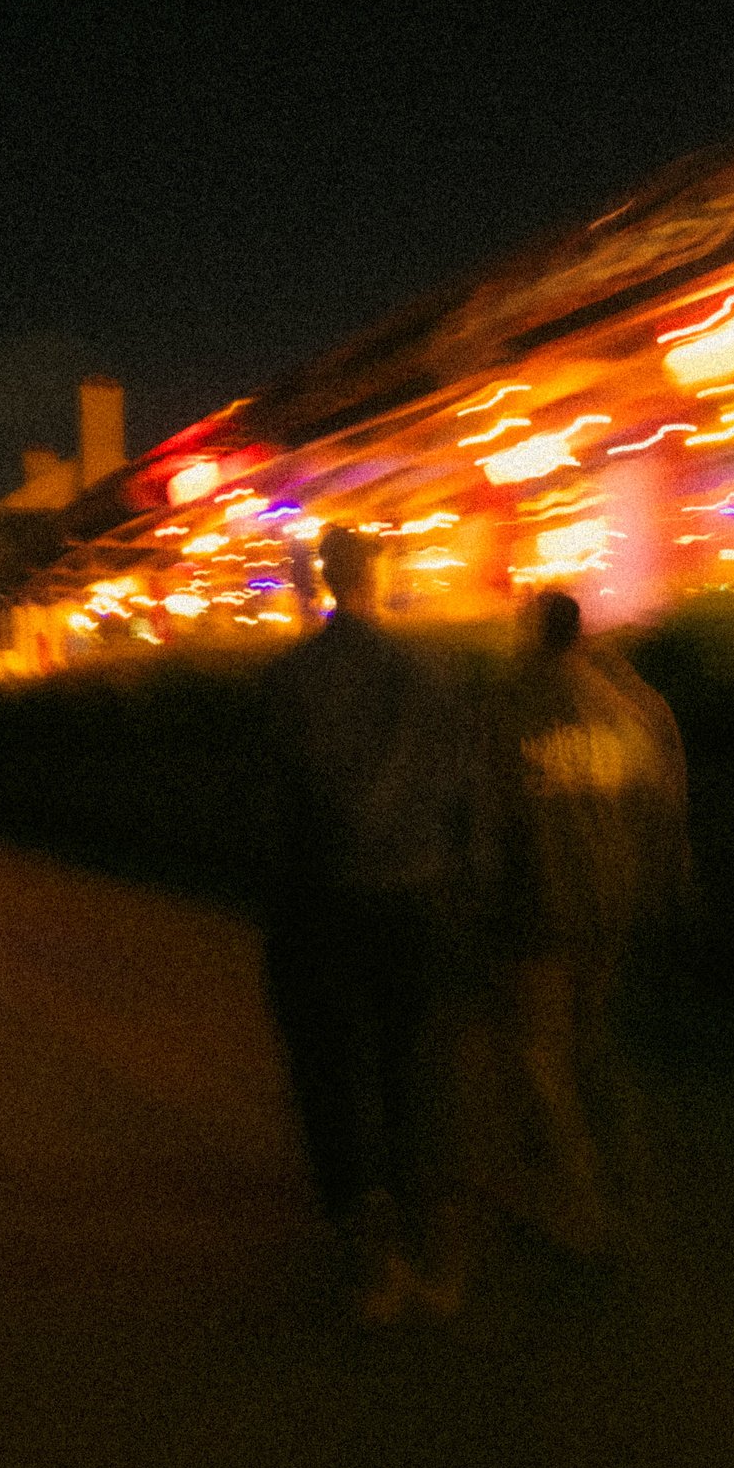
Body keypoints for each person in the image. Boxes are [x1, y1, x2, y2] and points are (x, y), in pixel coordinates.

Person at [257, 525, 480, 1326]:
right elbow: (464, 793)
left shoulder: (289, 680)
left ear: (321, 580)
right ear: (376, 580)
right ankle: (436, 1244)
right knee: (418, 1065)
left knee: (334, 1072)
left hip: (325, 905)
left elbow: (273, 810)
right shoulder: (432, 673)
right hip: (419, 897)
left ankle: (369, 1254)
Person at [484, 588, 689, 1258]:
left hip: (541, 910)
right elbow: (656, 800)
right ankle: (626, 1175)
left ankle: (579, 1202)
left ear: (533, 635)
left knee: (540, 1055)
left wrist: (477, 905)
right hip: (609, 905)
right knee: (590, 1041)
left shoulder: (510, 709)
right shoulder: (621, 706)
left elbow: (491, 818)